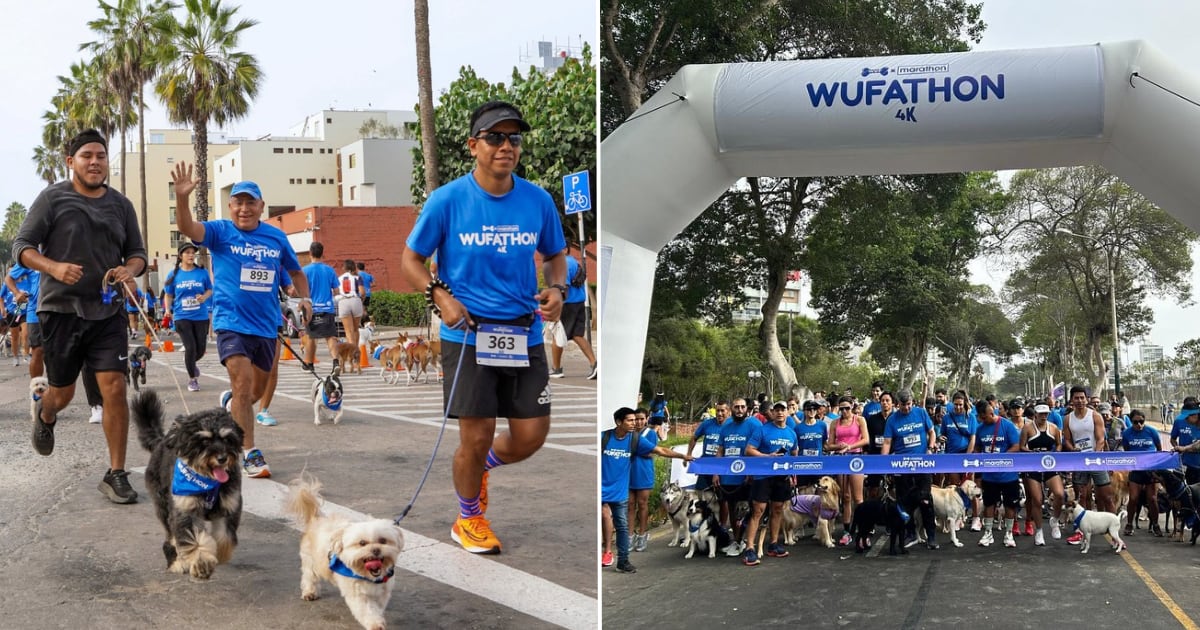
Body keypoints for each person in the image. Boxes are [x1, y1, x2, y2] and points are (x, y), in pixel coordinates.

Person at [400, 100, 569, 555]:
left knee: (532, 436)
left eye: (514, 138)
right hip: (468, 332)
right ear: (474, 145)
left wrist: (558, 288)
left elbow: (556, 255)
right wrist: (441, 297)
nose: (506, 146)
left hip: (524, 333)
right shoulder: (448, 200)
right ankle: (468, 518)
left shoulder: (538, 200)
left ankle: (482, 467)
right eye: (495, 138)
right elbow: (410, 260)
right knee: (473, 437)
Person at [13, 128, 146, 504]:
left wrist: (129, 271)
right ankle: (47, 412)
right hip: (60, 311)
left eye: (100, 156)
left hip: (107, 312)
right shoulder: (52, 198)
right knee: (63, 392)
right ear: (71, 161)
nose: (94, 162)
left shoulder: (121, 205)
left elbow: (136, 252)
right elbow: (22, 247)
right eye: (86, 155)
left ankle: (116, 473)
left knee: (115, 388)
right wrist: (53, 267)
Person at [171, 162, 311, 479]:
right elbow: (189, 228)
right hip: (230, 322)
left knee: (255, 393)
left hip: (266, 325)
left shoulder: (275, 238)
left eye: (251, 202)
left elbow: (296, 271)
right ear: (231, 206)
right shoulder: (221, 232)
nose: (244, 209)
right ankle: (249, 452)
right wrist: (182, 199)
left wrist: (305, 299)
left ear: (261, 207)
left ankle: (233, 403)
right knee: (243, 385)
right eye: (239, 202)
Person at [601, 407, 692, 573]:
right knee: (605, 516)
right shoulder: (604, 437)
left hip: (619, 493)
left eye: (635, 420)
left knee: (621, 527)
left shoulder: (635, 439)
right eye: (630, 420)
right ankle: (606, 551)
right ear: (618, 422)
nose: (634, 423)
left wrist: (682, 456)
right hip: (601, 490)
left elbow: (660, 450)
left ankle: (623, 561)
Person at [881, 389, 940, 550]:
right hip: (902, 467)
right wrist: (883, 463)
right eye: (902, 405)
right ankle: (910, 533)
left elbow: (932, 432)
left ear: (912, 402)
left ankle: (931, 536)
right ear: (897, 404)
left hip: (922, 465)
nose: (906, 408)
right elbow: (887, 443)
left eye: (908, 404)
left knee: (926, 501)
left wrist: (930, 447)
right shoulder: (892, 420)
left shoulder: (921, 413)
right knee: (903, 503)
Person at [742, 400, 798, 566]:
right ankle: (750, 548)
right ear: (772, 413)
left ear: (788, 412)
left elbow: (795, 453)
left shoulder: (791, 433)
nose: (780, 413)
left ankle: (773, 544)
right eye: (777, 410)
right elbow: (749, 450)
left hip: (782, 477)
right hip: (763, 476)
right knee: (758, 511)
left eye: (783, 410)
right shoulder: (762, 429)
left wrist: (793, 474)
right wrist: (767, 457)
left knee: (778, 509)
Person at [1062, 384, 1115, 544]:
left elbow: (1100, 439)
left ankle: (1114, 532)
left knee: (1106, 496)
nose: (1079, 401)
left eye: (1082, 398)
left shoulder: (1095, 416)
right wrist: (1073, 450)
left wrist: (1095, 453)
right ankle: (1081, 531)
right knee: (1082, 498)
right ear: (1071, 400)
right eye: (1076, 398)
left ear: (1087, 399)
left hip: (1096, 461)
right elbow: (1067, 440)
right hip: (1079, 462)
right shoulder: (1068, 418)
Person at [162, 241, 212, 392]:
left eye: (193, 252)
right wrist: (167, 310)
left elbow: (210, 289)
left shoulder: (202, 272)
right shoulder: (174, 274)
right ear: (180, 256)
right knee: (190, 348)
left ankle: (190, 364)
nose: (191, 255)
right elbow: (168, 294)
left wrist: (204, 297)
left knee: (200, 349)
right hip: (182, 316)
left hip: (200, 316)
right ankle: (192, 379)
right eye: (187, 253)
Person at [974, 400, 1022, 548]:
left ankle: (1009, 533)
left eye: (984, 417)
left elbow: (1016, 446)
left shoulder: (1007, 426)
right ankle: (988, 532)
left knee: (1009, 505)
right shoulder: (980, 429)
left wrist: (1002, 458)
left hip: (1008, 475)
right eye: (980, 418)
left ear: (991, 413)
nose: (982, 420)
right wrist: (978, 472)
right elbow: (977, 449)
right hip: (989, 476)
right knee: (989, 504)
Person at [714, 397, 759, 552]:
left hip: (747, 476)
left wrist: (751, 471)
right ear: (731, 409)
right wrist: (716, 473)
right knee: (732, 508)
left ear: (747, 408)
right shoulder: (726, 426)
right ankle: (737, 540)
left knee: (749, 509)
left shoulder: (754, 424)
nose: (739, 410)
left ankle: (748, 540)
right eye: (736, 407)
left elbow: (757, 448)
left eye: (742, 407)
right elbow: (720, 451)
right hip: (728, 476)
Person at [544, 254, 597, 380]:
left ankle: (556, 369)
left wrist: (557, 305)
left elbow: (564, 287)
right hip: (579, 302)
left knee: (558, 333)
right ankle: (594, 363)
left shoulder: (562, 264)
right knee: (577, 335)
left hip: (568, 304)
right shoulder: (573, 261)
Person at [1019, 403, 1065, 545]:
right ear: (1035, 415)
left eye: (1046, 414)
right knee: (1037, 500)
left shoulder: (1054, 428)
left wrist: (1055, 452)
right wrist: (1031, 452)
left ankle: (1055, 520)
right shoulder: (1027, 428)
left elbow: (1059, 444)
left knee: (1059, 494)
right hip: (1033, 466)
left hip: (1049, 464)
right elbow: (1021, 446)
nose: (1044, 416)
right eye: (1041, 414)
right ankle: (1038, 530)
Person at [827, 396, 869, 546]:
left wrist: (850, 447)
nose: (844, 411)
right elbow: (828, 445)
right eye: (841, 408)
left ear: (852, 407)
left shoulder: (859, 420)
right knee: (845, 496)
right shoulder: (834, 423)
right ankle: (847, 531)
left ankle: (863, 529)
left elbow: (866, 440)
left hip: (855, 458)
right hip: (841, 459)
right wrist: (839, 447)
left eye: (847, 408)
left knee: (858, 498)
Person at [1120, 409, 1163, 537]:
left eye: (1141, 421)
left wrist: (1158, 467)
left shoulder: (1152, 431)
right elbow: (1127, 451)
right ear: (1131, 421)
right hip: (1136, 470)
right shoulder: (1127, 433)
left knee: (1152, 499)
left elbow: (1159, 449)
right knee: (1133, 498)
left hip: (1151, 471)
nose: (1139, 424)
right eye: (1135, 422)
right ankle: (1129, 524)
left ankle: (1155, 524)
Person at [687, 399, 730, 525]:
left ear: (728, 412)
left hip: (723, 468)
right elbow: (694, 438)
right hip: (706, 467)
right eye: (718, 411)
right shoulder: (707, 424)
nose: (720, 413)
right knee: (703, 497)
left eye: (723, 411)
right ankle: (706, 524)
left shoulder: (732, 426)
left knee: (723, 500)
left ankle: (722, 526)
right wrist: (689, 454)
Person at [302, 242, 340, 368]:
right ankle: (335, 362)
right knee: (331, 337)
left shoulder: (305, 270)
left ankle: (309, 363)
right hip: (327, 308)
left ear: (310, 253)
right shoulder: (330, 270)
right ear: (322, 254)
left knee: (312, 337)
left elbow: (301, 290)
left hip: (311, 308)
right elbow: (336, 291)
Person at [628, 408, 655, 552]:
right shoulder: (629, 433)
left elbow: (650, 452)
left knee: (642, 504)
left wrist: (637, 450)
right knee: (630, 505)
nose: (638, 422)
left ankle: (642, 534)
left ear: (647, 419)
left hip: (644, 473)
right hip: (629, 473)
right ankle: (630, 536)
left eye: (641, 419)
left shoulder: (650, 433)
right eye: (635, 419)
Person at [336, 259, 365, 351]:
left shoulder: (339, 278)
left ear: (344, 268)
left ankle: (351, 352)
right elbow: (362, 292)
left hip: (343, 301)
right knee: (356, 329)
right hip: (355, 300)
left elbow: (335, 292)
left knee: (348, 331)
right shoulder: (357, 277)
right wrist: (361, 300)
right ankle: (356, 349)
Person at [1170, 396, 1200, 484]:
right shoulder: (1179, 421)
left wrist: (1184, 448)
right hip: (1186, 464)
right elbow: (1173, 439)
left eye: (1187, 417)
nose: (1185, 420)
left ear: (1196, 414)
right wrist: (1177, 448)